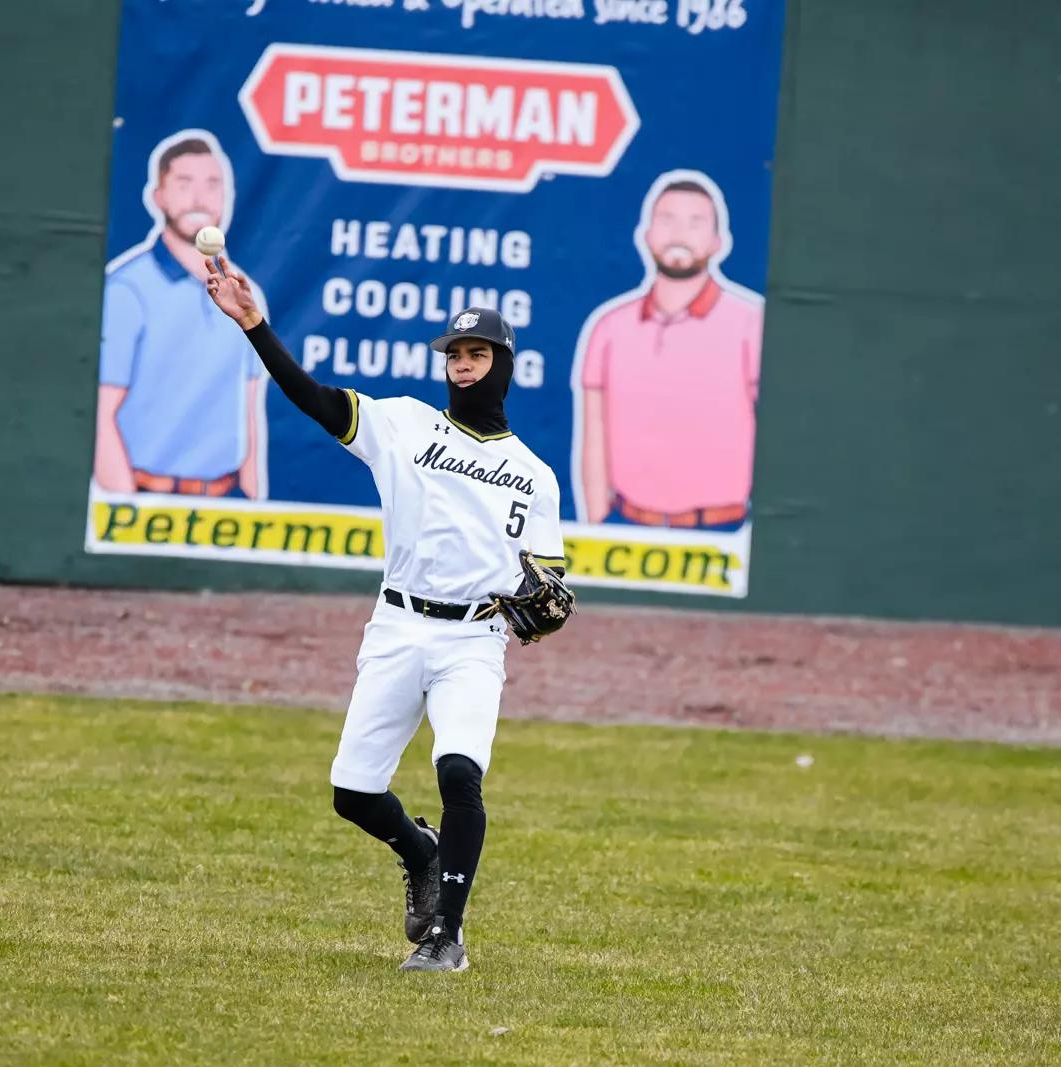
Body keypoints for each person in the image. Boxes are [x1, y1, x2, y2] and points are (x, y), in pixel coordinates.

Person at [204, 255, 571, 972]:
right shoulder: (402, 424)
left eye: (477, 354)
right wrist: (254, 324)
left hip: (474, 638)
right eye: (455, 354)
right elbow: (314, 399)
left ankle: (447, 937)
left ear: (502, 365)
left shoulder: (536, 475)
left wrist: (547, 606)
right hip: (398, 626)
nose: (462, 365)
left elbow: (550, 578)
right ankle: (419, 850)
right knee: (353, 792)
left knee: (459, 771)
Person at [575, 170, 764, 530]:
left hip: (723, 529)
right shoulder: (609, 328)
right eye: (667, 220)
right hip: (628, 523)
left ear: (718, 242)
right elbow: (593, 441)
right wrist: (597, 523)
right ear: (646, 236)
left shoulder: (750, 325)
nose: (680, 234)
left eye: (696, 223)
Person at [95, 130, 267, 498]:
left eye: (212, 184)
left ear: (227, 197)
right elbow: (100, 414)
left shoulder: (245, 293)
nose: (199, 198)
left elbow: (249, 411)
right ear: (158, 196)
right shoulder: (127, 289)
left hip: (227, 501)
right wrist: (129, 507)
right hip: (146, 498)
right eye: (184, 183)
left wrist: (252, 502)